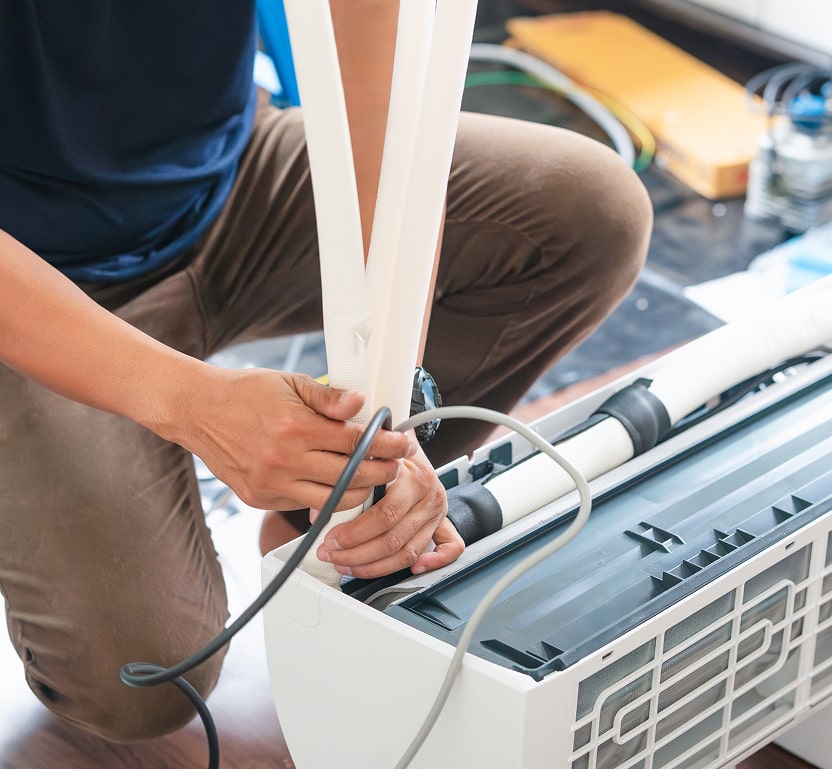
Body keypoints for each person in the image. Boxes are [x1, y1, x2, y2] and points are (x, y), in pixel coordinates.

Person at [0, 0, 652, 746]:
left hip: (224, 179)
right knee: (141, 683)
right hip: (33, 270)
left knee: (589, 210)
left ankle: (316, 525)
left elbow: (378, 111)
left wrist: (390, 404)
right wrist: (186, 402)